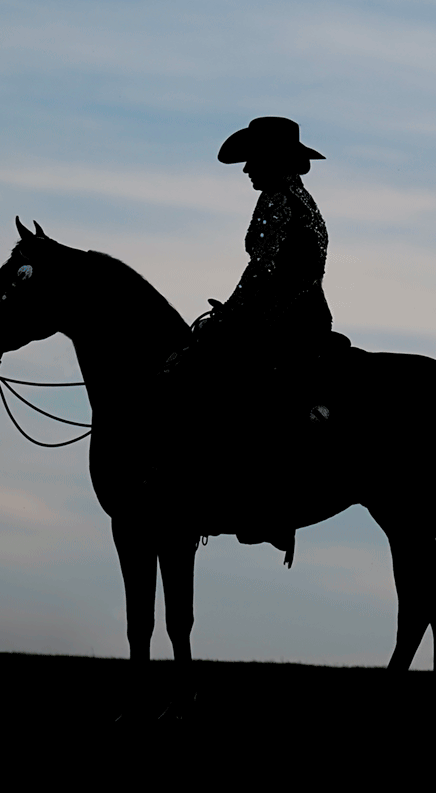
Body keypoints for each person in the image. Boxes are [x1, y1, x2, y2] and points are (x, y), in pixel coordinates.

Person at [163, 117, 335, 562]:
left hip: (282, 320)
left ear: (273, 161)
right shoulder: (298, 199)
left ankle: (239, 498)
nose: (246, 171)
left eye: (252, 161)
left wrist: (229, 317)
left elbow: (263, 272)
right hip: (299, 315)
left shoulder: (279, 201)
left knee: (208, 380)